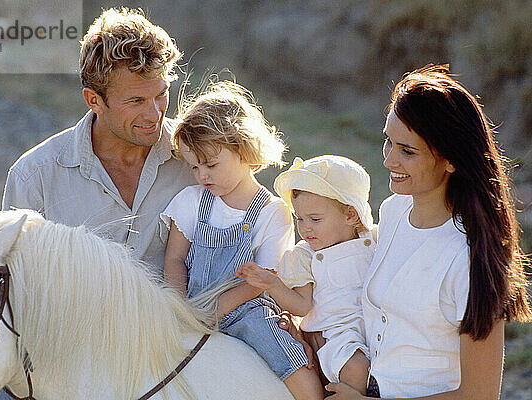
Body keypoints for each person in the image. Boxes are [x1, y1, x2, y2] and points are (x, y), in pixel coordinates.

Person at [325, 65, 532, 399]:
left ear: (450, 160)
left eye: (407, 151)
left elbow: (479, 395)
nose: (389, 160)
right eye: (388, 143)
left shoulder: (467, 257)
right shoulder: (394, 211)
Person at [160, 81, 323, 399]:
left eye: (211, 164)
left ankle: (313, 396)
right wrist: (180, 308)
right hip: (191, 302)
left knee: (288, 357)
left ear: (243, 151)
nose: (202, 175)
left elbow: (264, 280)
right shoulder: (192, 201)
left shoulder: (271, 211)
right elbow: (175, 259)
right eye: (194, 166)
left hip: (246, 307)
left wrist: (218, 309)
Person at [1, 7, 195, 272]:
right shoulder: (34, 178)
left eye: (161, 94)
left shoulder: (196, 158)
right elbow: (16, 286)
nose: (154, 114)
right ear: (95, 101)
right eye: (136, 101)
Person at [236, 155, 375, 394]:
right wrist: (273, 284)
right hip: (335, 335)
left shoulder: (372, 240)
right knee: (356, 367)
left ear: (351, 215)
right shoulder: (304, 256)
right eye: (299, 218)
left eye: (315, 219)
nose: (305, 228)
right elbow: (301, 306)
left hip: (374, 328)